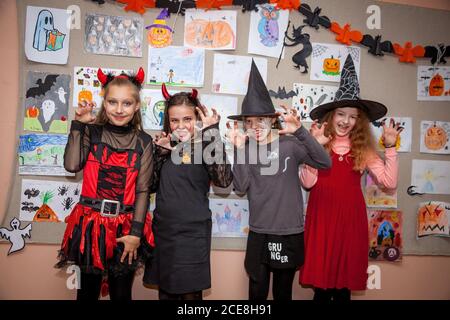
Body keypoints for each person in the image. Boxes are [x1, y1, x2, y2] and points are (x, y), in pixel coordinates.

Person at [299, 55, 403, 302]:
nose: (346, 121)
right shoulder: (319, 143)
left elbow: (389, 183)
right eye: (341, 114)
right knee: (322, 289)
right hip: (322, 218)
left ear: (359, 121)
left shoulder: (363, 149)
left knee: (343, 287)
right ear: (331, 116)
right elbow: (307, 183)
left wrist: (390, 147)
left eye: (353, 116)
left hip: (350, 221)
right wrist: (314, 146)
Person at [226, 61, 331, 300]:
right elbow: (240, 187)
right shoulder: (247, 148)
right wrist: (240, 149)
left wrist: (301, 132)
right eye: (249, 122)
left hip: (288, 231)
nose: (255, 127)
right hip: (259, 231)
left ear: (272, 120)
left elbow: (325, 164)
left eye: (260, 120)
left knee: (283, 292)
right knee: (257, 290)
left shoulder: (290, 144)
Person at [56, 67, 154, 301]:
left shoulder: (144, 141)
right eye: (112, 102)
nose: (119, 110)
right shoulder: (91, 132)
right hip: (90, 225)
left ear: (137, 105)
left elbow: (142, 190)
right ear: (104, 102)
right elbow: (72, 165)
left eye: (127, 103)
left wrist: (136, 234)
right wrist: (79, 125)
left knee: (121, 294)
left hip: (125, 228)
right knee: (86, 293)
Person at [143, 84, 233, 300]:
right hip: (164, 230)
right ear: (168, 122)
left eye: (187, 119)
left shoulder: (205, 145)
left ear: (197, 118)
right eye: (175, 120)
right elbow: (151, 186)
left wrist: (212, 132)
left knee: (191, 296)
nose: (180, 125)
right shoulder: (165, 145)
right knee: (165, 292)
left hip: (193, 233)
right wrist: (160, 153)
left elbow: (223, 180)